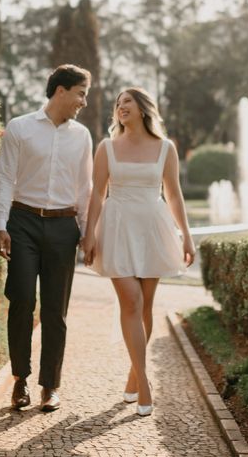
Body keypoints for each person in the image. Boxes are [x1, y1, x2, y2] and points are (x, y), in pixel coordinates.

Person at [82, 88, 195, 416]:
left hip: (152, 229)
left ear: (143, 108)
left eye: (126, 102)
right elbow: (95, 195)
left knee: (145, 307)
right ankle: (144, 383)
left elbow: (174, 196)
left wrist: (186, 236)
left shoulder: (166, 148)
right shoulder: (106, 148)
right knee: (130, 301)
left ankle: (133, 375)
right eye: (117, 105)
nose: (120, 108)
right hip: (117, 228)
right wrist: (88, 235)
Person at [0, 64, 93, 412]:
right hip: (22, 222)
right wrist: (0, 225)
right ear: (60, 90)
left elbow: (85, 187)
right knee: (21, 300)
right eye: (81, 93)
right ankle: (19, 379)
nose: (83, 101)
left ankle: (50, 385)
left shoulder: (82, 136)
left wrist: (87, 232)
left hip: (64, 227)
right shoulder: (20, 128)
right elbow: (4, 178)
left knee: (55, 309)